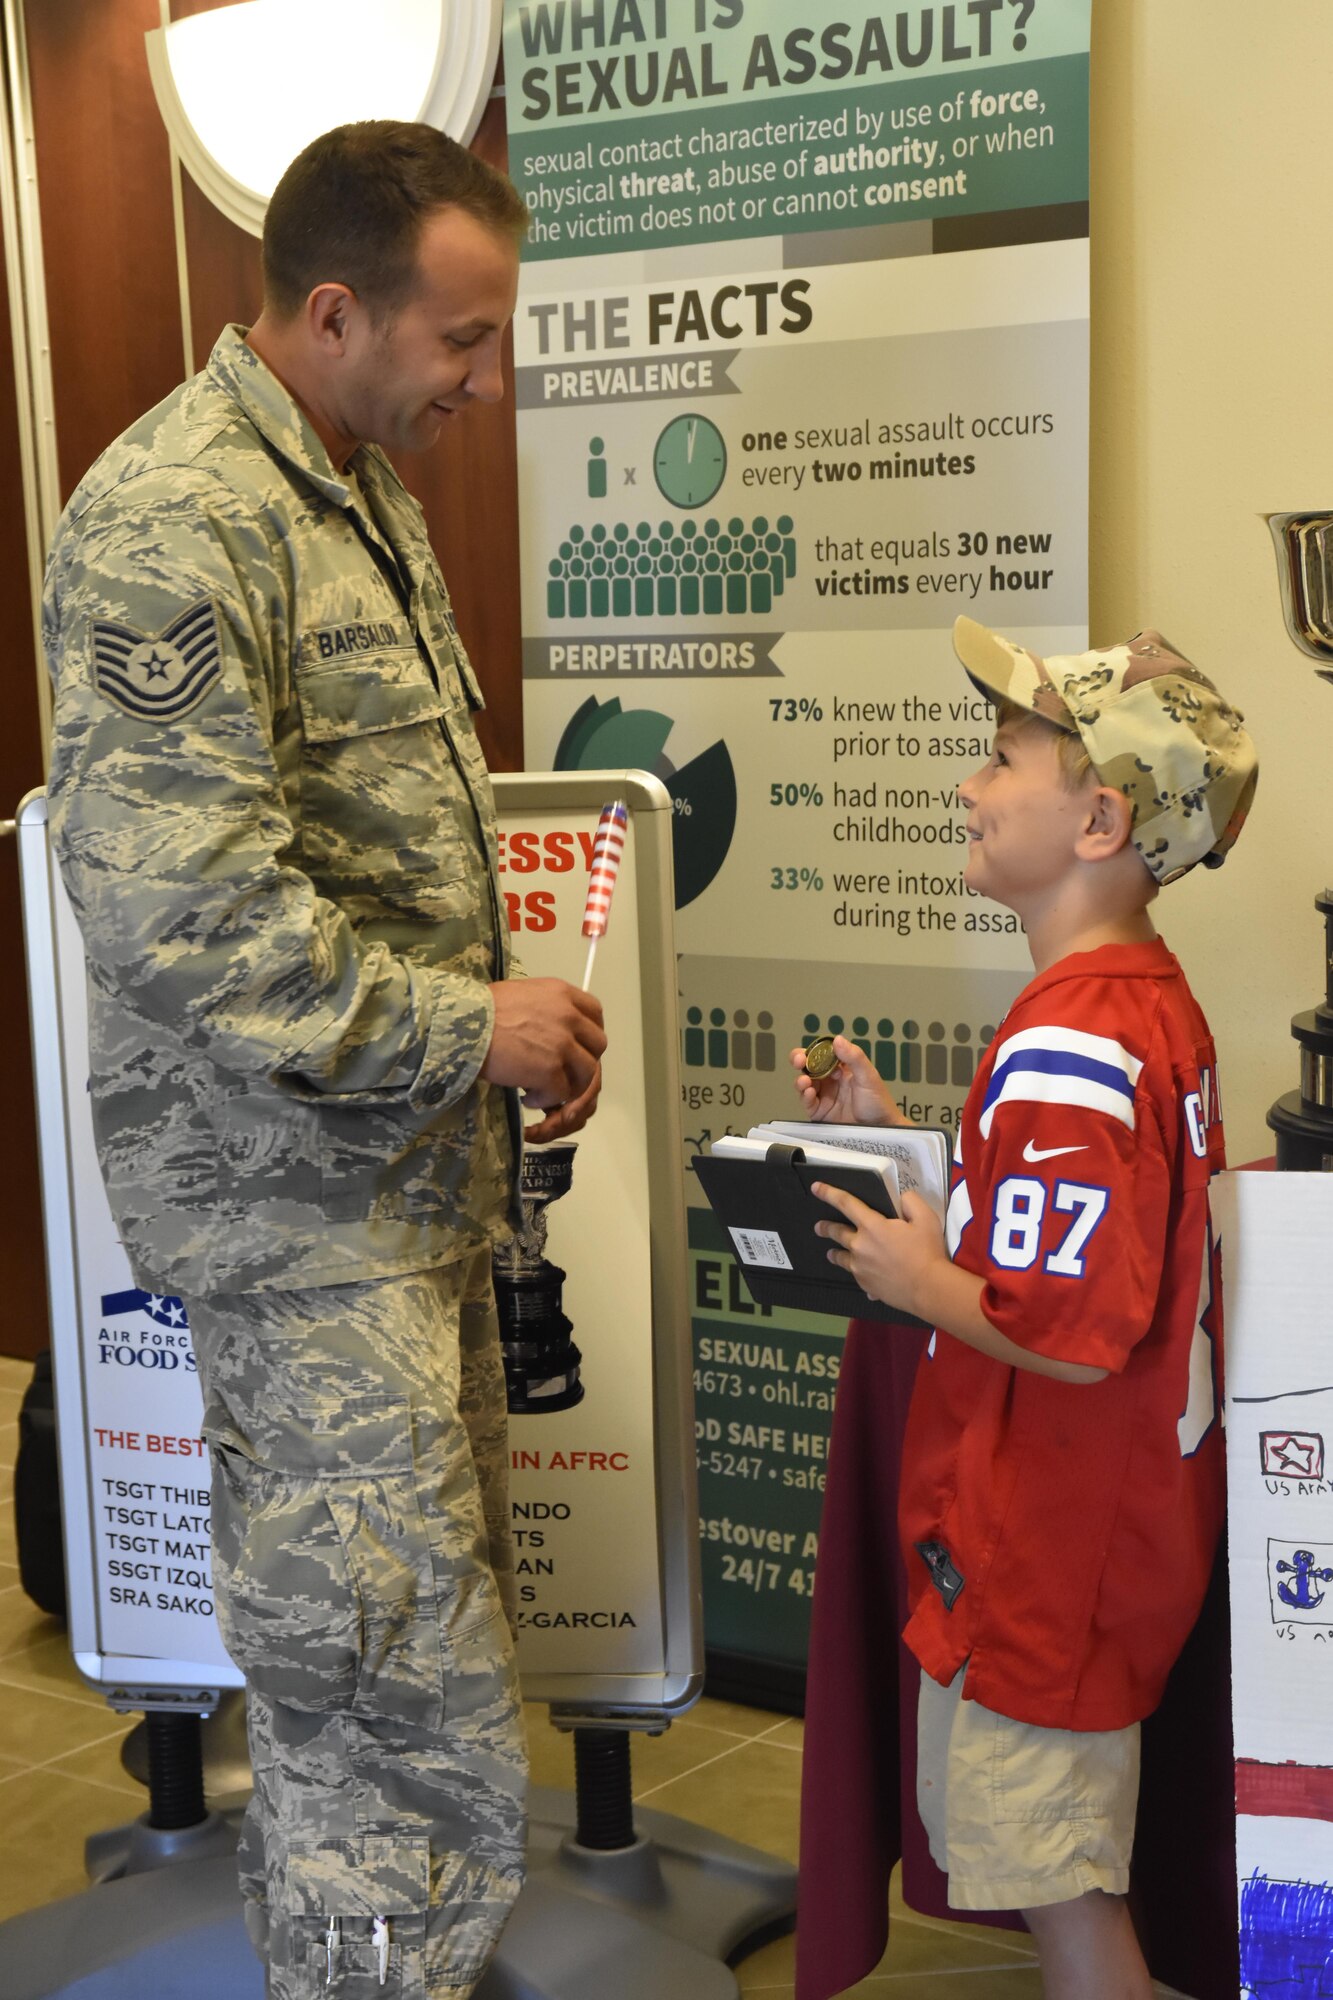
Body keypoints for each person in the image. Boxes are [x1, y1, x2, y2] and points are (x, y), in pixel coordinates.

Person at [43, 122, 607, 1999]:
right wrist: (471, 1028)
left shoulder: (351, 486)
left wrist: (507, 1047)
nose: (486, 376)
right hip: (294, 1223)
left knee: (418, 1659)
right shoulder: (173, 522)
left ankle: (392, 1974)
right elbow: (187, 917)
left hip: (400, 1191)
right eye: (462, 336)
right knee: (380, 1690)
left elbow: (372, 852)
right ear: (338, 309)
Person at [794, 615, 1256, 1999]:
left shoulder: (1069, 1037)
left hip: (1043, 1559)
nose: (967, 786)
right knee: (1054, 1868)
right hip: (1088, 1542)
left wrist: (912, 1279)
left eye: (1000, 760)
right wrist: (904, 1150)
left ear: (1099, 818)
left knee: (1062, 1897)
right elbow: (1083, 1243)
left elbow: (1069, 1324)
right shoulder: (1131, 1006)